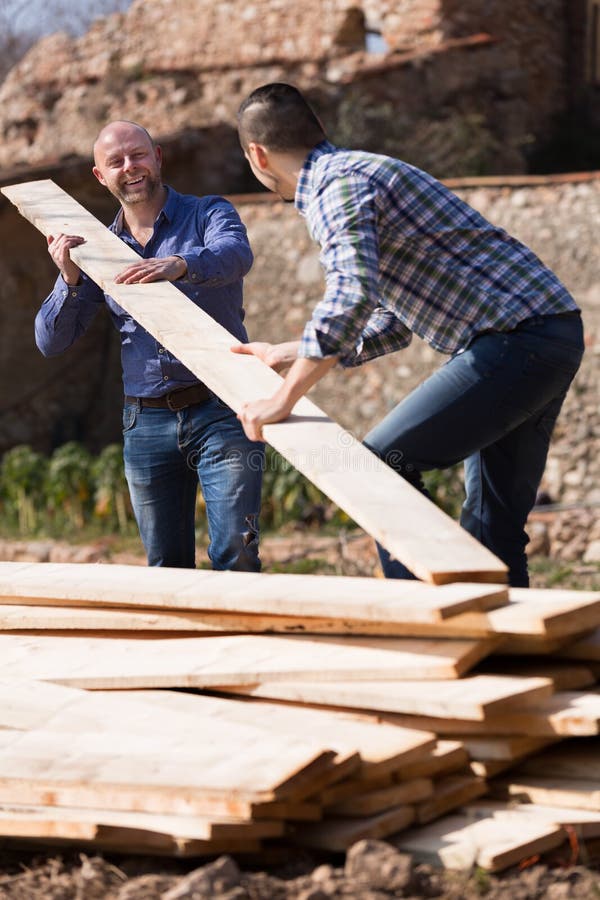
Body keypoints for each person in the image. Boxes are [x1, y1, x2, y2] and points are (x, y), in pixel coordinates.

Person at [232, 83, 584, 587]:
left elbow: (350, 294)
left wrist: (284, 399)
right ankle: (509, 654)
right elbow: (392, 322)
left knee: (379, 466)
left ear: (257, 155)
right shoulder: (358, 171)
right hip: (549, 336)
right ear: (318, 130)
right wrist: (294, 351)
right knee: (493, 526)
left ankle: (428, 616)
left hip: (515, 343)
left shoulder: (335, 189)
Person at [36, 120, 263, 570]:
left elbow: (237, 255)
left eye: (137, 155)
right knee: (165, 565)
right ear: (101, 176)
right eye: (115, 161)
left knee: (235, 554)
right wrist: (70, 277)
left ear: (157, 156)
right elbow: (50, 341)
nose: (130, 167)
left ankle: (242, 641)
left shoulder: (207, 213)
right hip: (145, 422)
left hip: (224, 405)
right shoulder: (99, 247)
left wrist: (179, 265)